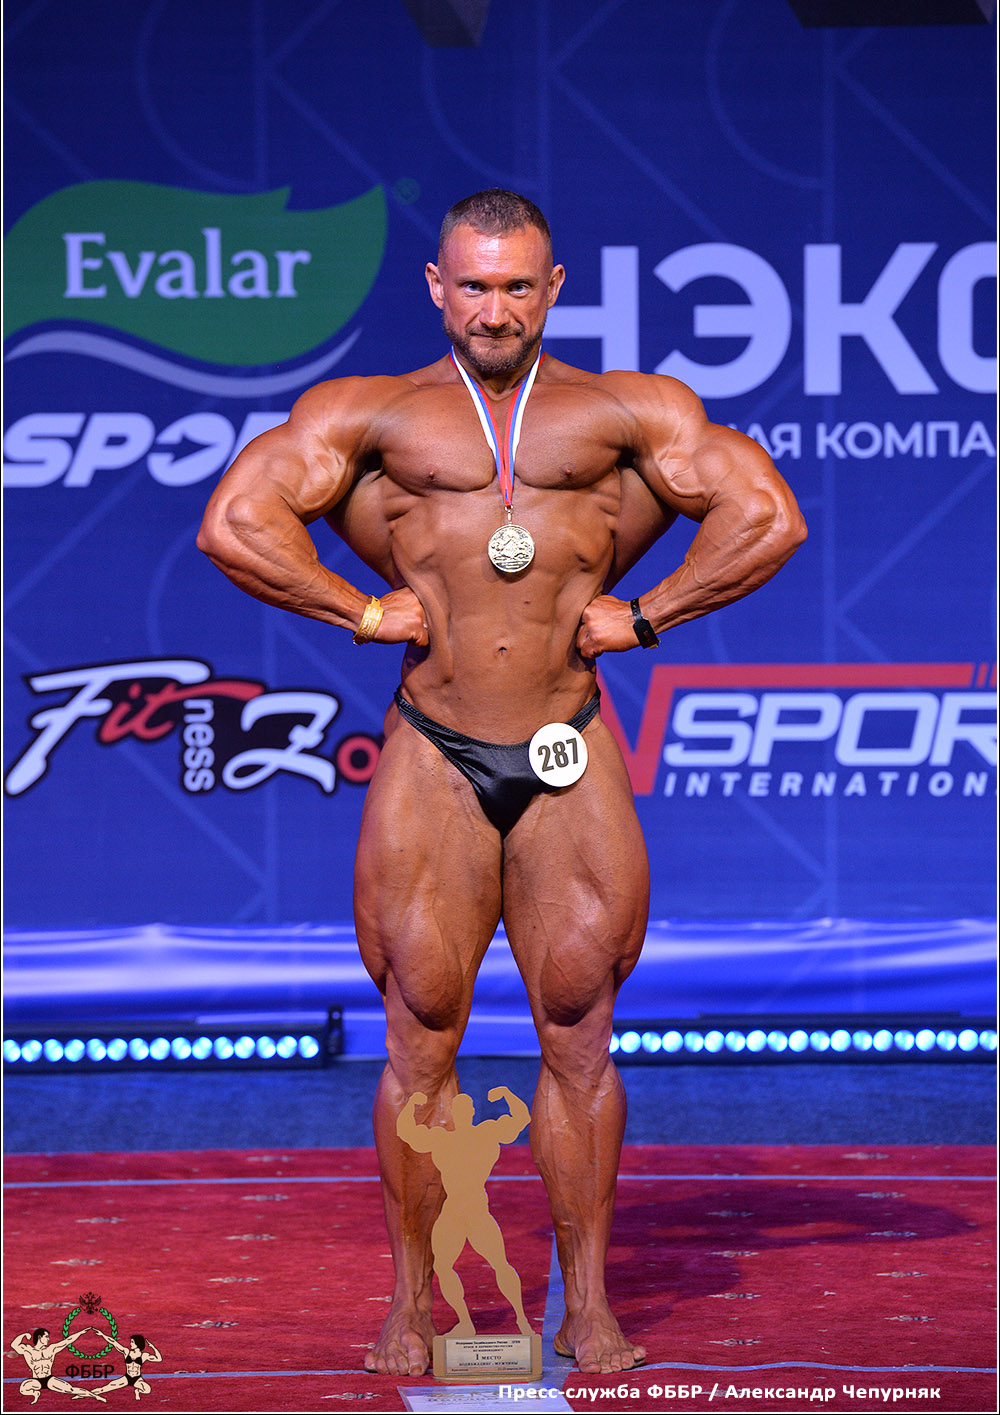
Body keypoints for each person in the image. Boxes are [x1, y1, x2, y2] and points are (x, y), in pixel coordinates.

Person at [198, 188, 806, 1376]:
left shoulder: (624, 411)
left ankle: (589, 1307)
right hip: (435, 749)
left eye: (517, 286)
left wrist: (652, 611)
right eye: (473, 286)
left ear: (553, 287)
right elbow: (234, 523)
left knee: (579, 1027)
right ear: (437, 287)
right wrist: (356, 607)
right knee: (420, 1028)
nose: (494, 309)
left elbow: (766, 517)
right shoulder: (372, 414)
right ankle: (411, 1305)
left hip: (565, 743)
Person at [396, 1085, 532, 1339]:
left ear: (466, 1113)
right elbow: (406, 1132)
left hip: (471, 1210)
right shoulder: (473, 1135)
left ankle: (522, 1321)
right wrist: (411, 1105)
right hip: (461, 1211)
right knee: (447, 1265)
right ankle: (473, 1322)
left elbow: (522, 1118)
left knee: (498, 1264)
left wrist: (412, 1104)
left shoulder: (472, 1135)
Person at [11, 1327, 106, 1403]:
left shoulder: (51, 1349)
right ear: (40, 1337)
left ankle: (96, 1396)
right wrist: (24, 1335)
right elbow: (14, 1345)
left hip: (49, 1379)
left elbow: (67, 1341)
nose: (48, 1339)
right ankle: (35, 1393)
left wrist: (80, 1333)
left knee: (71, 1390)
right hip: (36, 1380)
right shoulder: (28, 1350)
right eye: (46, 1337)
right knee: (23, 1389)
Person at [89, 1336, 162, 1401]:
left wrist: (153, 1347)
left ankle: (137, 1391)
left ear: (138, 1343)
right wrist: (102, 1335)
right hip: (127, 1378)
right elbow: (113, 1342)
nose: (130, 1344)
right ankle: (84, 1394)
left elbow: (159, 1359)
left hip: (137, 1379)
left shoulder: (144, 1355)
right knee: (104, 1389)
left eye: (132, 1342)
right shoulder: (127, 1352)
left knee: (147, 1390)